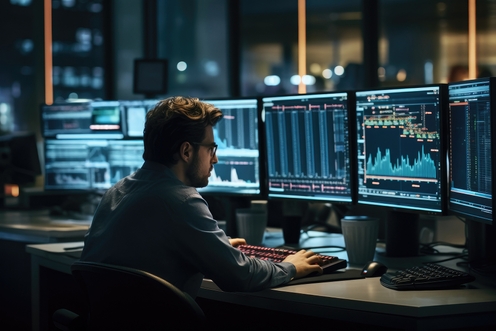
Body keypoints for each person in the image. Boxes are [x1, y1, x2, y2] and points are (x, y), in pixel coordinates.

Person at [80, 96, 323, 298]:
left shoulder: (117, 191)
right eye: (211, 149)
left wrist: (213, 249)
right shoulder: (181, 199)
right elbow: (240, 276)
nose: (214, 159)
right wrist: (290, 267)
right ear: (186, 151)